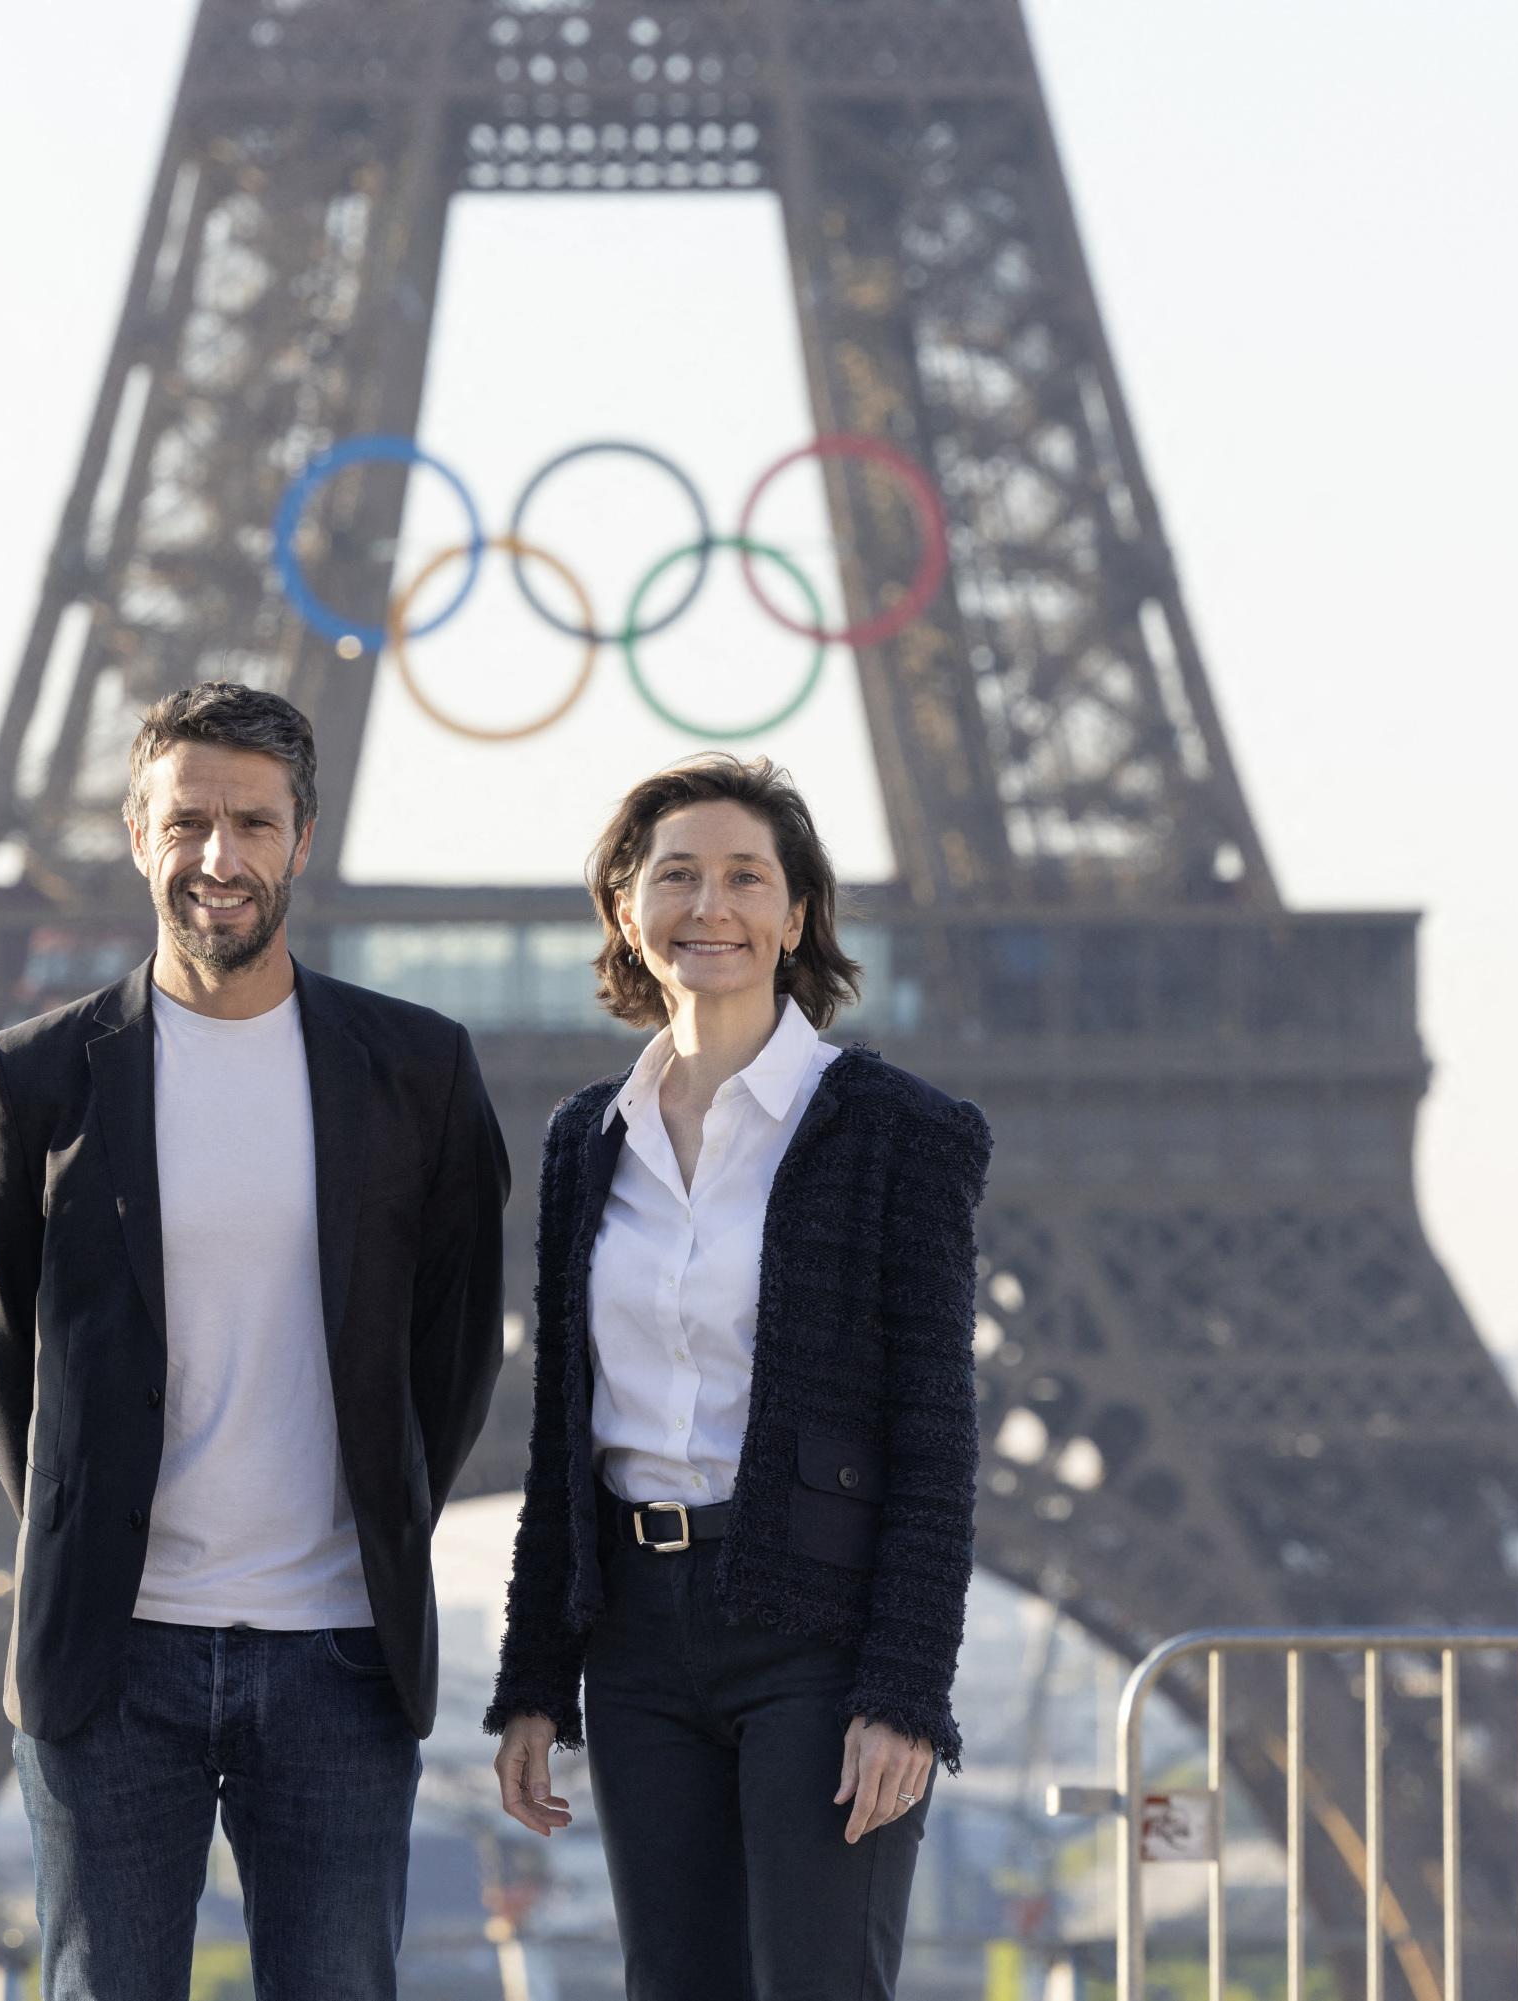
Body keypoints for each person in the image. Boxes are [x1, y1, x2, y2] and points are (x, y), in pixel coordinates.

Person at [0, 680, 511, 2001]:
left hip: (337, 1649)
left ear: (301, 838)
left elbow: (454, 1343)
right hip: (112, 1651)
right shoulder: (36, 1079)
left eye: (251, 823)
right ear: (139, 837)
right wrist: (86, 1521)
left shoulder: (417, 1070)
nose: (219, 857)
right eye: (187, 821)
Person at [485, 756, 990, 2001]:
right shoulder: (583, 1142)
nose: (710, 906)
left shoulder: (896, 1133)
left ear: (796, 916)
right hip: (638, 1641)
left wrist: (905, 1694)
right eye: (677, 876)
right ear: (624, 909)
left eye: (745, 877)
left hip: (815, 1638)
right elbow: (566, 1436)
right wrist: (537, 1680)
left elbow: (935, 1439)